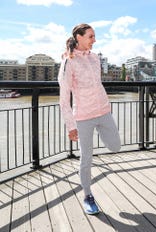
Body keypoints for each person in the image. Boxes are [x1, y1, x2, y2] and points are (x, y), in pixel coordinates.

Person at [58, 23, 121, 215]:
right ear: (79, 37)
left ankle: (100, 131)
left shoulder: (95, 58)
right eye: (91, 37)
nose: (95, 40)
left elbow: (98, 84)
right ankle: (88, 196)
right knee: (87, 158)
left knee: (115, 146)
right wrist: (71, 126)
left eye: (94, 36)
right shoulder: (68, 61)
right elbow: (64, 98)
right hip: (83, 117)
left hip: (103, 112)